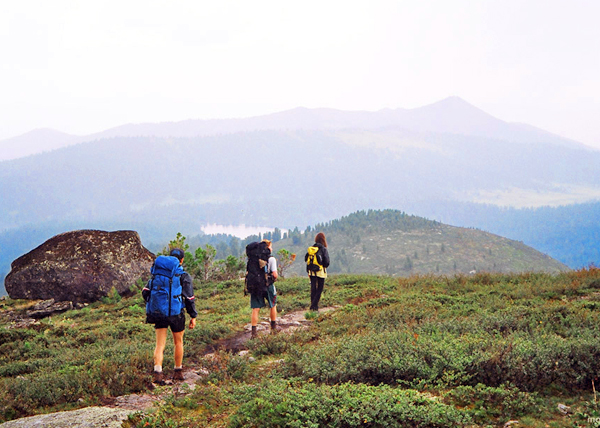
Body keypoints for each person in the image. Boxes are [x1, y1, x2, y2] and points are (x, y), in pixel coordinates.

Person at [143, 248, 197, 384]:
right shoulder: (183, 275)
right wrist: (193, 316)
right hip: (176, 313)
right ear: (182, 260)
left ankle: (158, 373)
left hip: (159, 313)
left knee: (159, 344)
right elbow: (189, 298)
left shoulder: (157, 274)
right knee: (178, 342)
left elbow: (145, 292)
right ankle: (177, 371)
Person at [250, 239, 278, 338]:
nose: (271, 248)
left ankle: (254, 333)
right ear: (267, 247)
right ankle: (273, 329)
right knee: (273, 305)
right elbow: (275, 274)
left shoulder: (253, 258)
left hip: (255, 286)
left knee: (255, 309)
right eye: (270, 246)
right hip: (268, 285)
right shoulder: (271, 259)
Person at [305, 232, 330, 312]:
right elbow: (327, 262)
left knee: (313, 288)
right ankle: (313, 306)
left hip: (311, 271)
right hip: (320, 272)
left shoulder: (312, 249)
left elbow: (306, 259)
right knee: (320, 288)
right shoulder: (323, 249)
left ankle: (314, 307)